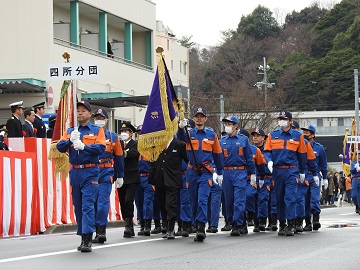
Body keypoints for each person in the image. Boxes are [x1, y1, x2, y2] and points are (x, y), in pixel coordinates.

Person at [56, 101, 106, 252]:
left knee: (87, 205)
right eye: (78, 110)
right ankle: (82, 234)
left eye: (84, 110)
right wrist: (70, 140)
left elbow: (101, 148)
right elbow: (59, 147)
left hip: (90, 171)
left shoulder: (97, 130)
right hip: (75, 171)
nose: (80, 113)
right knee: (77, 205)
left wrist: (85, 147)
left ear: (90, 114)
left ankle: (87, 238)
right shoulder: (71, 130)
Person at [177, 107, 224, 242]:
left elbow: (218, 154)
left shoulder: (211, 135)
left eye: (201, 116)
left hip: (206, 171)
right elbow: (180, 138)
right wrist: (181, 127)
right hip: (192, 171)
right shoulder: (188, 133)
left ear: (205, 118)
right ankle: (196, 223)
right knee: (192, 200)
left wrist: (219, 172)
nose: (199, 118)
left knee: (202, 199)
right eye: (197, 116)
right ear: (193, 118)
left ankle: (201, 227)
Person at [264, 111, 308, 236]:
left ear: (290, 121)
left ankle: (291, 224)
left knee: (290, 197)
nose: (281, 120)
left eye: (284, 118)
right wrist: (269, 161)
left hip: (291, 170)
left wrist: (302, 171)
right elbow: (267, 152)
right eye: (280, 118)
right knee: (279, 198)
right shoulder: (272, 135)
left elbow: (302, 155)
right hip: (277, 170)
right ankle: (282, 224)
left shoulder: (297, 136)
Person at [219, 117, 256, 236]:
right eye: (226, 124)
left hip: (240, 172)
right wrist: (218, 173)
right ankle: (232, 220)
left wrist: (252, 173)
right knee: (228, 201)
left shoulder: (243, 139)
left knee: (239, 200)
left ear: (236, 126)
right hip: (227, 172)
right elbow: (217, 158)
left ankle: (238, 223)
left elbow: (249, 158)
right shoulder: (222, 141)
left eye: (230, 124)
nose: (227, 126)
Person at [92, 108, 124, 244]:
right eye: (97, 117)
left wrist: (120, 175)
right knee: (91, 203)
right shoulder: (89, 134)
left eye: (101, 118)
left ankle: (101, 230)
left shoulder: (113, 137)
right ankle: (94, 229)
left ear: (106, 120)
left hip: (106, 172)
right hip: (92, 171)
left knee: (102, 202)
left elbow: (119, 157)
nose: (99, 120)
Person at [148, 136, 188, 239]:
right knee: (162, 204)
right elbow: (153, 163)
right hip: (159, 179)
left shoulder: (179, 144)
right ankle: (165, 224)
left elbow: (188, 159)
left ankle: (171, 229)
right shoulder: (156, 145)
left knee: (171, 204)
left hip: (173, 179)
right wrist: (152, 180)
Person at [301, 124, 328, 231]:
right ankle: (307, 222)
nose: (304, 134)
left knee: (314, 198)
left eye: (307, 132)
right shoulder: (300, 146)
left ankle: (316, 220)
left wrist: (325, 177)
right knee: (305, 199)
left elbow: (323, 164)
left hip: (315, 175)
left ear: (313, 135)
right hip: (304, 175)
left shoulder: (319, 148)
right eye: (304, 132)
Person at [118, 122, 140, 238]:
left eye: (126, 131)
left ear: (131, 133)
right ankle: (128, 223)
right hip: (121, 177)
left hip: (132, 177)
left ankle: (128, 225)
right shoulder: (119, 144)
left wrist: (120, 153)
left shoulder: (135, 144)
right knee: (122, 202)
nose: (123, 134)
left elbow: (133, 154)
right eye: (122, 132)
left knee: (128, 200)